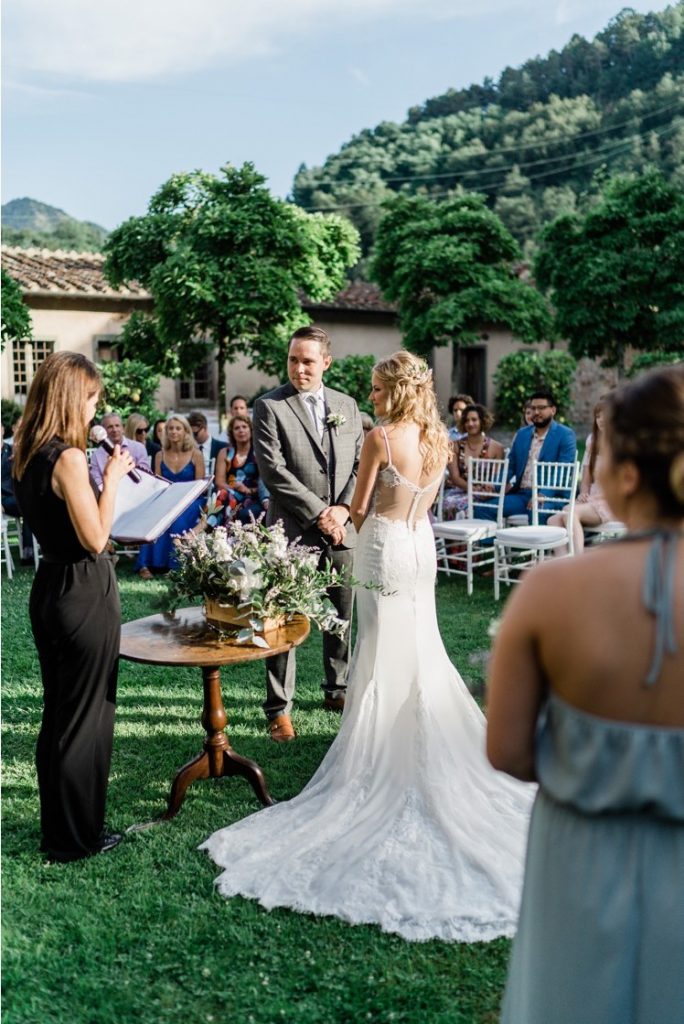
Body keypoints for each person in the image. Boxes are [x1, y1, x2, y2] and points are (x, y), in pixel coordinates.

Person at [200, 351, 534, 941]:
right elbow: (424, 504)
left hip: (381, 547)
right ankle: (418, 736)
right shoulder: (439, 440)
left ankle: (380, 751)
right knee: (420, 647)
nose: (371, 395)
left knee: (379, 651)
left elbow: (357, 510)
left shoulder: (381, 438)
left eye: (378, 388)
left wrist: (334, 519)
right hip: (420, 547)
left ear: (395, 392)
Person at [487, 365, 684, 1023]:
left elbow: (508, 751)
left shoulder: (553, 591)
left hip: (579, 856)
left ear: (627, 475)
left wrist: (597, 760)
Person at [11, 352, 134, 861]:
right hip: (84, 589)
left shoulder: (25, 450)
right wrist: (115, 477)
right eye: (90, 399)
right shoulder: (68, 458)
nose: (94, 408)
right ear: (69, 398)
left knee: (60, 714)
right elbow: (96, 537)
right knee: (86, 717)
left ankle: (59, 831)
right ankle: (77, 838)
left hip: (50, 588)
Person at [252, 325, 363, 740]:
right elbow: (273, 472)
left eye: (308, 361)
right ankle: (279, 707)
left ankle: (337, 688)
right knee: (282, 621)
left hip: (341, 531)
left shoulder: (347, 405)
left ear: (326, 363)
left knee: (341, 616)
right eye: (293, 360)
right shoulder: (270, 406)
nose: (299, 368)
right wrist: (321, 514)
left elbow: (358, 464)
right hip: (292, 531)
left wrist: (344, 510)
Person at [480, 388, 576, 523]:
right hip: (522, 494)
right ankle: (494, 544)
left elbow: (563, 471)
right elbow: (511, 465)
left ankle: (533, 545)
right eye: (533, 408)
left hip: (551, 496)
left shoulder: (565, 435)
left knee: (537, 511)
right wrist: (495, 485)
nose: (536, 412)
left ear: (553, 410)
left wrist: (543, 494)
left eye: (541, 408)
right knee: (484, 508)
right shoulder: (522, 434)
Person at [135, 415, 206, 579]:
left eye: (178, 428)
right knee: (151, 516)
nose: (174, 432)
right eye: (170, 428)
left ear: (185, 431)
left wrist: (181, 499)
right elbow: (158, 485)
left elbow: (199, 487)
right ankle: (145, 564)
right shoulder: (160, 455)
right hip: (166, 499)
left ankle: (175, 565)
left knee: (178, 520)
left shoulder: (196, 454)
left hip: (190, 500)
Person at [547, 398, 616, 554]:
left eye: (605, 415)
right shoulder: (592, 440)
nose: (601, 420)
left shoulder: (621, 443)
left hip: (612, 502)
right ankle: (564, 563)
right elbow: (585, 479)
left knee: (569, 512)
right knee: (552, 520)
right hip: (592, 499)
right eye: (598, 416)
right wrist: (583, 493)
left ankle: (577, 560)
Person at [443, 403, 505, 519]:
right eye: (466, 420)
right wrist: (472, 489)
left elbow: (497, 478)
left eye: (474, 420)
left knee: (477, 507)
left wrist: (486, 489)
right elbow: (455, 478)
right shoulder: (454, 446)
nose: (470, 424)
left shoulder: (496, 448)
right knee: (451, 504)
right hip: (459, 491)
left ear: (482, 421)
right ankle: (455, 536)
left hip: (485, 494)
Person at [213, 414, 268, 524]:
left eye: (244, 427)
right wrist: (233, 489)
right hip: (230, 492)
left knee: (226, 497)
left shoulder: (258, 452)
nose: (241, 430)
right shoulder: (225, 453)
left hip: (253, 496)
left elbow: (266, 483)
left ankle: (211, 528)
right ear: (232, 433)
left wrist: (247, 490)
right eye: (236, 428)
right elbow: (219, 482)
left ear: (251, 430)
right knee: (225, 494)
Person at [90, 412, 150, 489]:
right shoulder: (96, 455)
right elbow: (97, 483)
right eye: (110, 427)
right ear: (104, 430)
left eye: (117, 426)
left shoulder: (138, 448)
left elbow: (145, 475)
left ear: (123, 428)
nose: (114, 430)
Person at [187, 410, 226, 476]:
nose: (193, 436)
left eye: (195, 433)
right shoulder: (187, 450)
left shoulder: (222, 447)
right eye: (190, 433)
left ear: (205, 428)